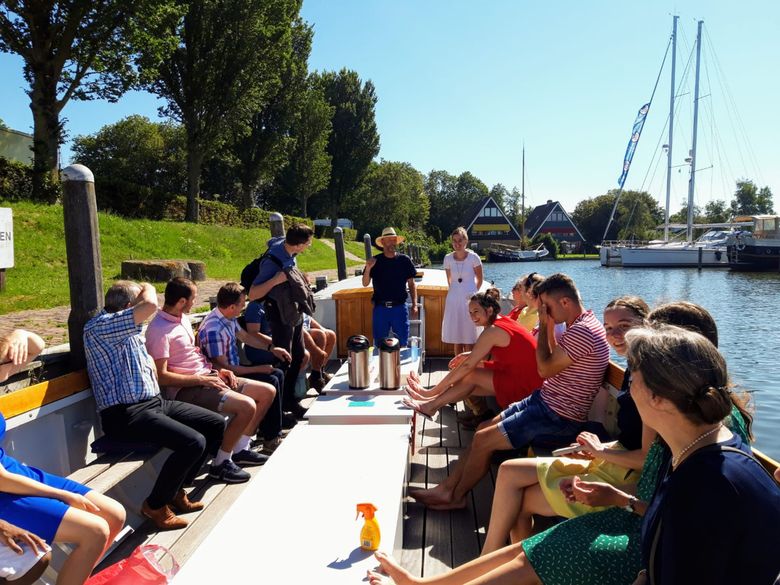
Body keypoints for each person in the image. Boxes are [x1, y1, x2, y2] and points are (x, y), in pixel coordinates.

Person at [408, 274, 609, 510]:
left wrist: (545, 324)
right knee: (482, 430)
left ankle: (455, 496)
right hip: (545, 401)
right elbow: (552, 363)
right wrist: (548, 326)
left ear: (565, 302)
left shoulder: (583, 332)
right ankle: (446, 488)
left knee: (483, 440)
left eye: (547, 306)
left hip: (558, 416)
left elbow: (544, 369)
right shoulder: (581, 325)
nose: (544, 311)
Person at [481, 296, 650, 553]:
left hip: (623, 475)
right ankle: (492, 558)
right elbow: (632, 438)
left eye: (624, 326)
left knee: (518, 501)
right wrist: (598, 449)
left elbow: (648, 458)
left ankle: (502, 563)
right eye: (608, 328)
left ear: (646, 324)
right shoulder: (634, 368)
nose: (614, 335)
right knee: (508, 470)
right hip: (612, 459)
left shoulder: (650, 381)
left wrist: (600, 451)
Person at [629, 325, 779, 585]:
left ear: (656, 397)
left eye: (632, 378)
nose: (629, 387)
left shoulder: (700, 488)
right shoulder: (705, 450)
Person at [85, 282, 226, 531]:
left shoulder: (126, 327)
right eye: (139, 306)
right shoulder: (101, 326)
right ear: (129, 306)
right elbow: (150, 305)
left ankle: (175, 491)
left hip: (153, 403)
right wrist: (146, 285)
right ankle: (155, 505)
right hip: (126, 414)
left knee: (214, 424)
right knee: (193, 442)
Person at [1, 329, 126, 585]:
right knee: (95, 531)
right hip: (4, 488)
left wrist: (18, 334)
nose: (14, 365)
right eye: (8, 361)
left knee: (115, 514)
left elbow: (36, 345)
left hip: (12, 472)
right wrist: (62, 495)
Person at [146, 278, 274, 484]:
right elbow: (161, 377)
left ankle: (240, 449)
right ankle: (220, 463)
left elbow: (194, 356)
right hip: (187, 389)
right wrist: (201, 379)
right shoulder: (159, 330)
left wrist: (219, 371)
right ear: (181, 302)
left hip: (208, 377)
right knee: (247, 406)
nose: (195, 303)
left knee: (267, 391)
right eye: (193, 299)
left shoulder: (182, 319)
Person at [403, 288, 542, 419]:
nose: (472, 316)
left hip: (527, 383)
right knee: (468, 384)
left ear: (489, 310)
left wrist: (432, 390)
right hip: (522, 375)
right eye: (470, 312)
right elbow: (498, 354)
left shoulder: (493, 330)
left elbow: (468, 365)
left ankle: (430, 398)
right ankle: (430, 403)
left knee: (470, 375)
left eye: (476, 311)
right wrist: (467, 355)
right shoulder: (501, 321)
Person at [198, 282, 292, 455]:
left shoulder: (228, 318)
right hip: (228, 377)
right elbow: (225, 368)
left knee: (277, 373)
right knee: (271, 379)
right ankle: (262, 440)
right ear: (232, 307)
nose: (243, 308)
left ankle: (268, 433)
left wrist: (272, 349)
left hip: (236, 369)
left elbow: (246, 338)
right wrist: (259, 368)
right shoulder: (214, 329)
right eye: (242, 304)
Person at [248, 223, 314, 420]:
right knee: (284, 360)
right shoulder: (271, 262)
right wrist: (275, 281)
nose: (309, 246)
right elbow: (253, 294)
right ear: (298, 245)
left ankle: (289, 401)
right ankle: (278, 411)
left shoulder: (287, 247)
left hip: (294, 312)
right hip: (279, 314)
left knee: (298, 355)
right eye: (308, 243)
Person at [362, 227, 418, 347]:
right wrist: (368, 268)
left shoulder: (405, 260)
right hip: (380, 309)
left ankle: (400, 360)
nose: (392, 243)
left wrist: (414, 304)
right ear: (382, 242)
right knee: (380, 345)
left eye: (394, 240)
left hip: (400, 308)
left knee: (402, 344)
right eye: (389, 240)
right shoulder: (375, 261)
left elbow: (412, 284)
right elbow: (365, 283)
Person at [441, 227, 483, 355]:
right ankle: (457, 365)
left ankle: (469, 365)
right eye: (454, 241)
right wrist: (456, 291)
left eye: (460, 240)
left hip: (470, 300)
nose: (457, 243)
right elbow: (449, 280)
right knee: (457, 336)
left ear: (466, 241)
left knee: (469, 335)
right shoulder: (447, 258)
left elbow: (480, 280)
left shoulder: (474, 258)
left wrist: (473, 295)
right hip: (453, 299)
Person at [301, 313, 336, 392]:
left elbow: (308, 319)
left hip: (306, 329)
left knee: (331, 334)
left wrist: (324, 330)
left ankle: (320, 372)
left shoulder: (302, 306)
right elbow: (296, 324)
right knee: (320, 335)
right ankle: (316, 377)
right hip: (295, 332)